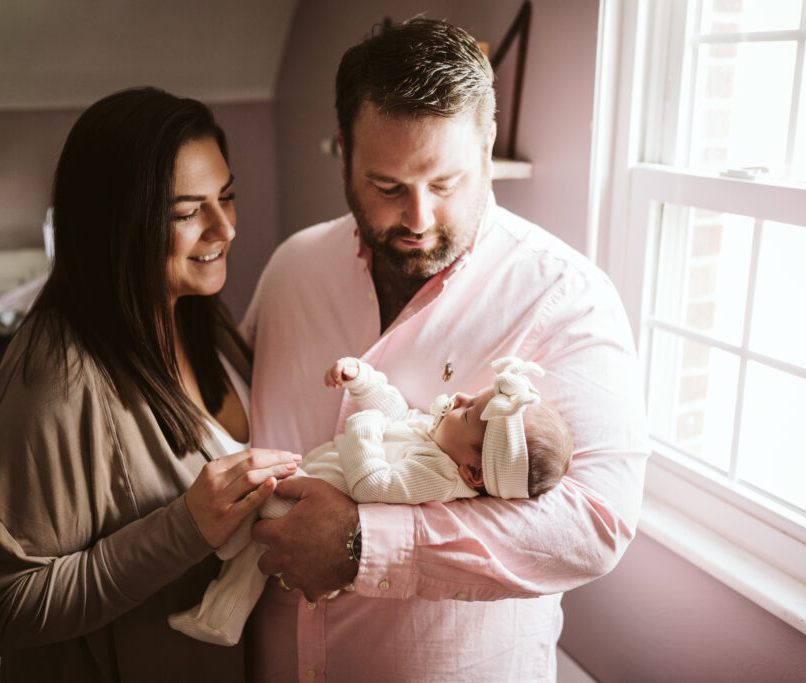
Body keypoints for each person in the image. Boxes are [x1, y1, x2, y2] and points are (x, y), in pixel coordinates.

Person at [241, 17, 649, 681]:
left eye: (446, 182)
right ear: (342, 153)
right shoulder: (291, 269)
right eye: (387, 186)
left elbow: (594, 520)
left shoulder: (567, 296)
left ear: (487, 146)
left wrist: (364, 544)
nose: (420, 218)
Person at [0, 87, 301, 682]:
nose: (224, 227)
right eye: (187, 211)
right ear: (118, 222)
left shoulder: (202, 318)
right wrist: (183, 528)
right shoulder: (53, 383)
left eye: (227, 197)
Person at [169, 355, 573, 646]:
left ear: (474, 472)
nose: (461, 398)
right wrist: (364, 381)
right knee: (251, 557)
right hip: (309, 484)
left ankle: (225, 552)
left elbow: (371, 486)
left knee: (259, 505)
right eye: (472, 398)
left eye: (468, 414)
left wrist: (362, 428)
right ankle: (221, 618)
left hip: (304, 510)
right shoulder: (438, 436)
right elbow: (396, 412)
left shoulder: (438, 476)